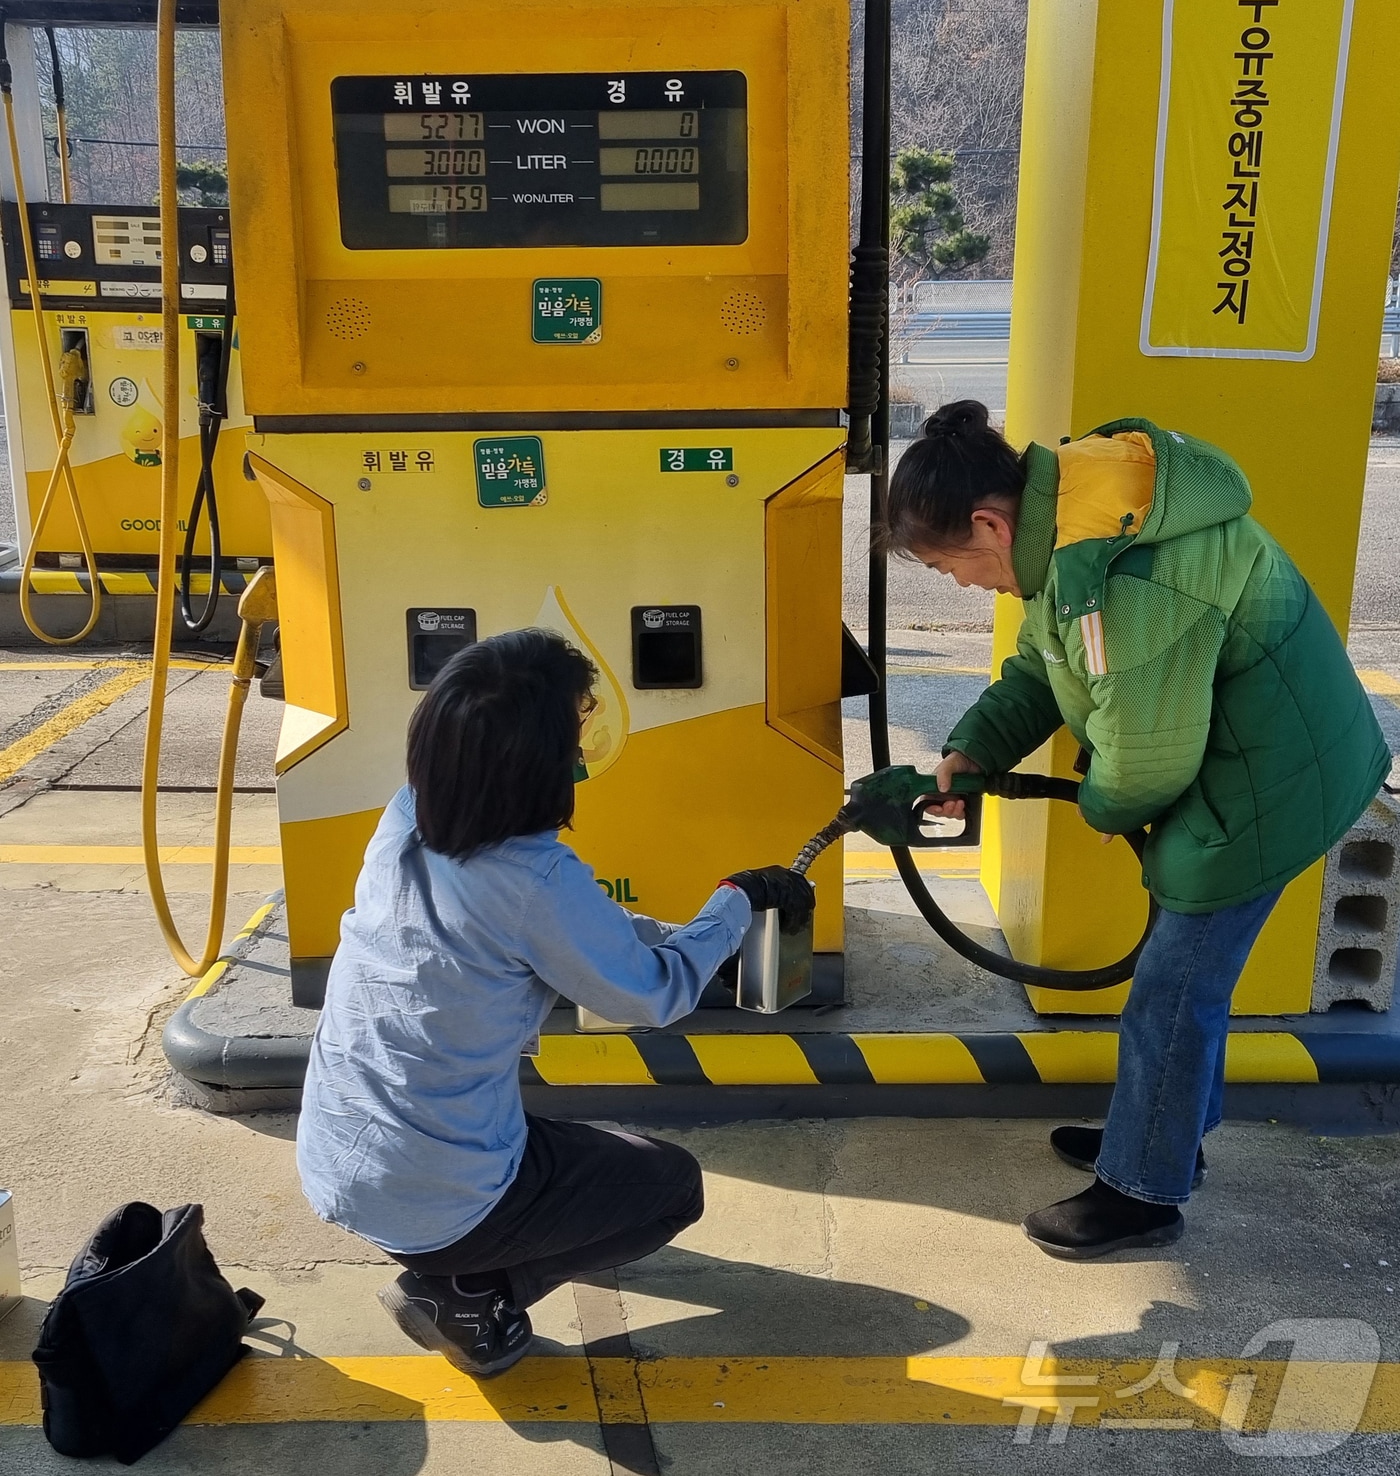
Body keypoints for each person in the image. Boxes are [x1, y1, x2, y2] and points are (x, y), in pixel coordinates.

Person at [884, 400, 1389, 1260]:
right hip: (1253, 760)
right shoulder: (1077, 527)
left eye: (949, 566)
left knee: (1172, 988)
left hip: (1271, 781)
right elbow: (1042, 670)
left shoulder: (1122, 577)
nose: (964, 585)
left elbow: (1146, 765)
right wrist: (972, 751)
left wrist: (1101, 809)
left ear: (989, 523)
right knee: (1186, 981)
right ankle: (1158, 1133)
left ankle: (1142, 1190)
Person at [296, 628, 814, 1375]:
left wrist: (691, 937)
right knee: (670, 1187)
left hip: (338, 1157)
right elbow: (654, 995)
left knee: (552, 1140)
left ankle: (463, 1263)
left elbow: (570, 933)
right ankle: (471, 1293)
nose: (581, 754)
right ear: (539, 767)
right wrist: (733, 905)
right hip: (433, 1195)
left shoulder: (404, 821)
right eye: (574, 736)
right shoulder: (534, 878)